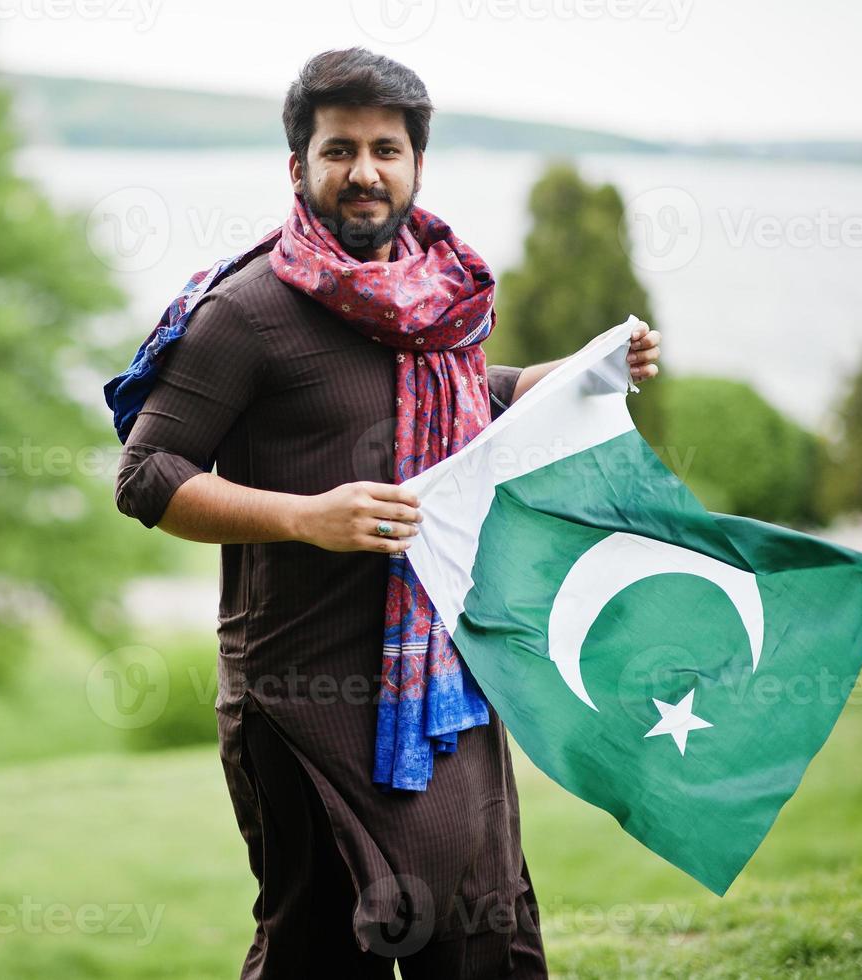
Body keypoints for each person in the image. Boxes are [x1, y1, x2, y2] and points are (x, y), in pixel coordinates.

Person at [111, 47, 661, 979]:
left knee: (486, 940)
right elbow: (147, 474)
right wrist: (302, 517)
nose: (364, 171)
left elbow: (442, 402)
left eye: (385, 149)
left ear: (414, 163)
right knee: (319, 955)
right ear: (299, 167)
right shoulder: (244, 313)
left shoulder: (439, 300)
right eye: (338, 150)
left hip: (444, 681)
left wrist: (548, 378)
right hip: (300, 702)